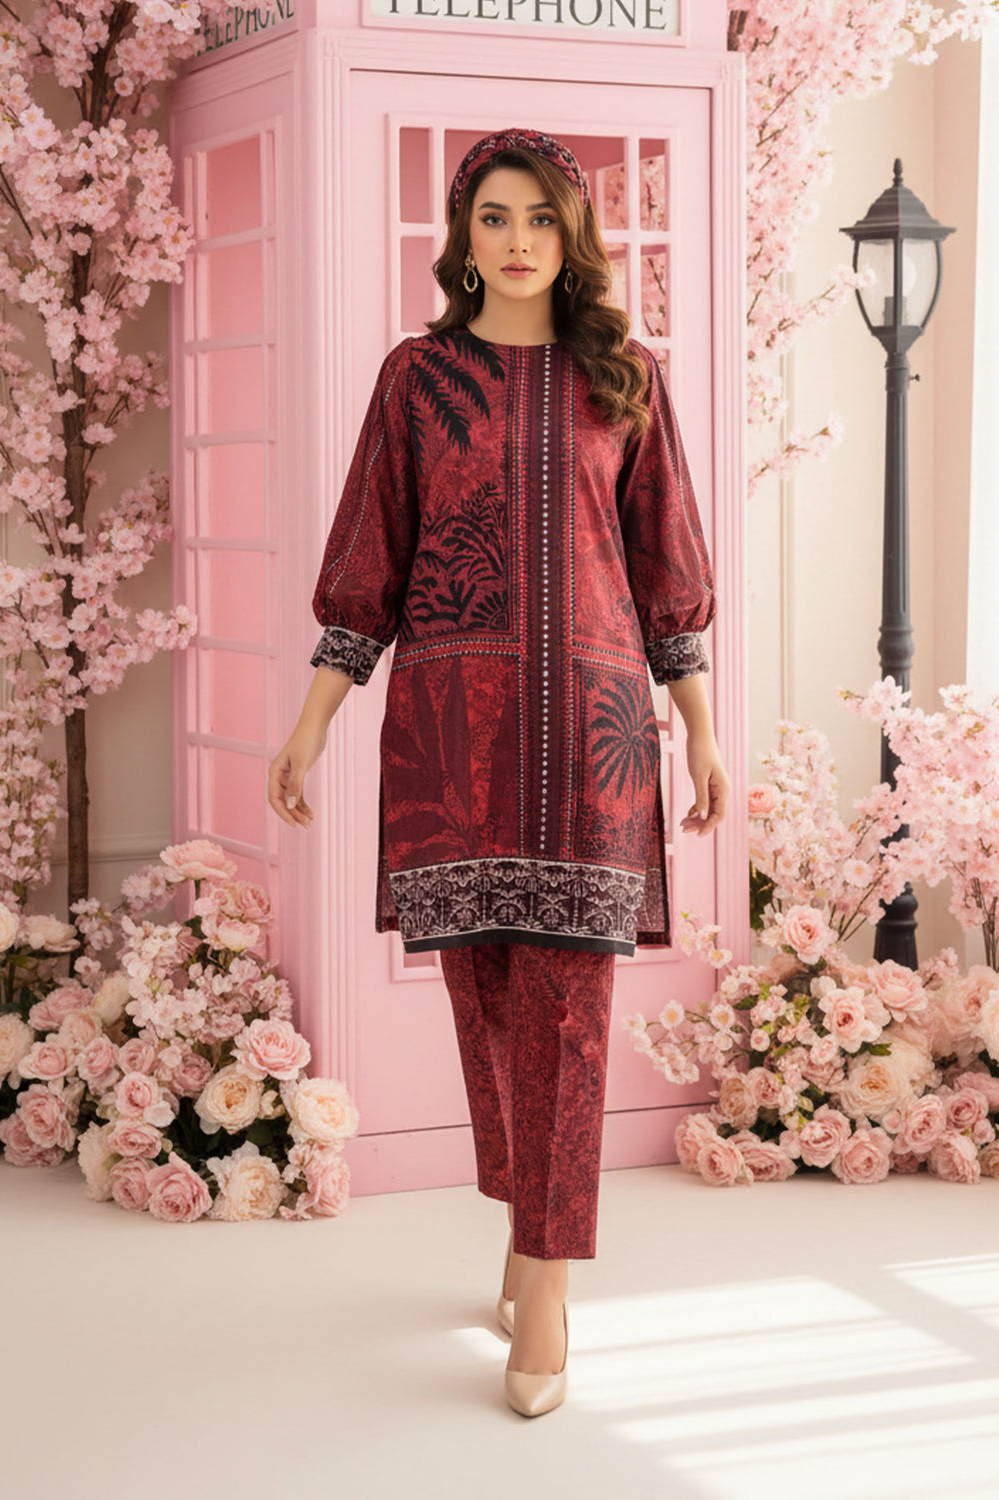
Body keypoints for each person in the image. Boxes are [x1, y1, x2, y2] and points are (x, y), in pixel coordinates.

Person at [267, 127, 729, 1418]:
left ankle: (547, 1281)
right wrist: (311, 721)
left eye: (539, 218)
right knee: (485, 1000)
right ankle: (527, 1230)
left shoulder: (624, 378)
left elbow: (667, 567)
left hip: (594, 730)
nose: (517, 240)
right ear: (463, 238)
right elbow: (369, 557)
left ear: (570, 239)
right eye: (493, 218)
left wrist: (700, 727)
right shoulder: (417, 380)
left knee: (570, 1008)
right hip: (450, 735)